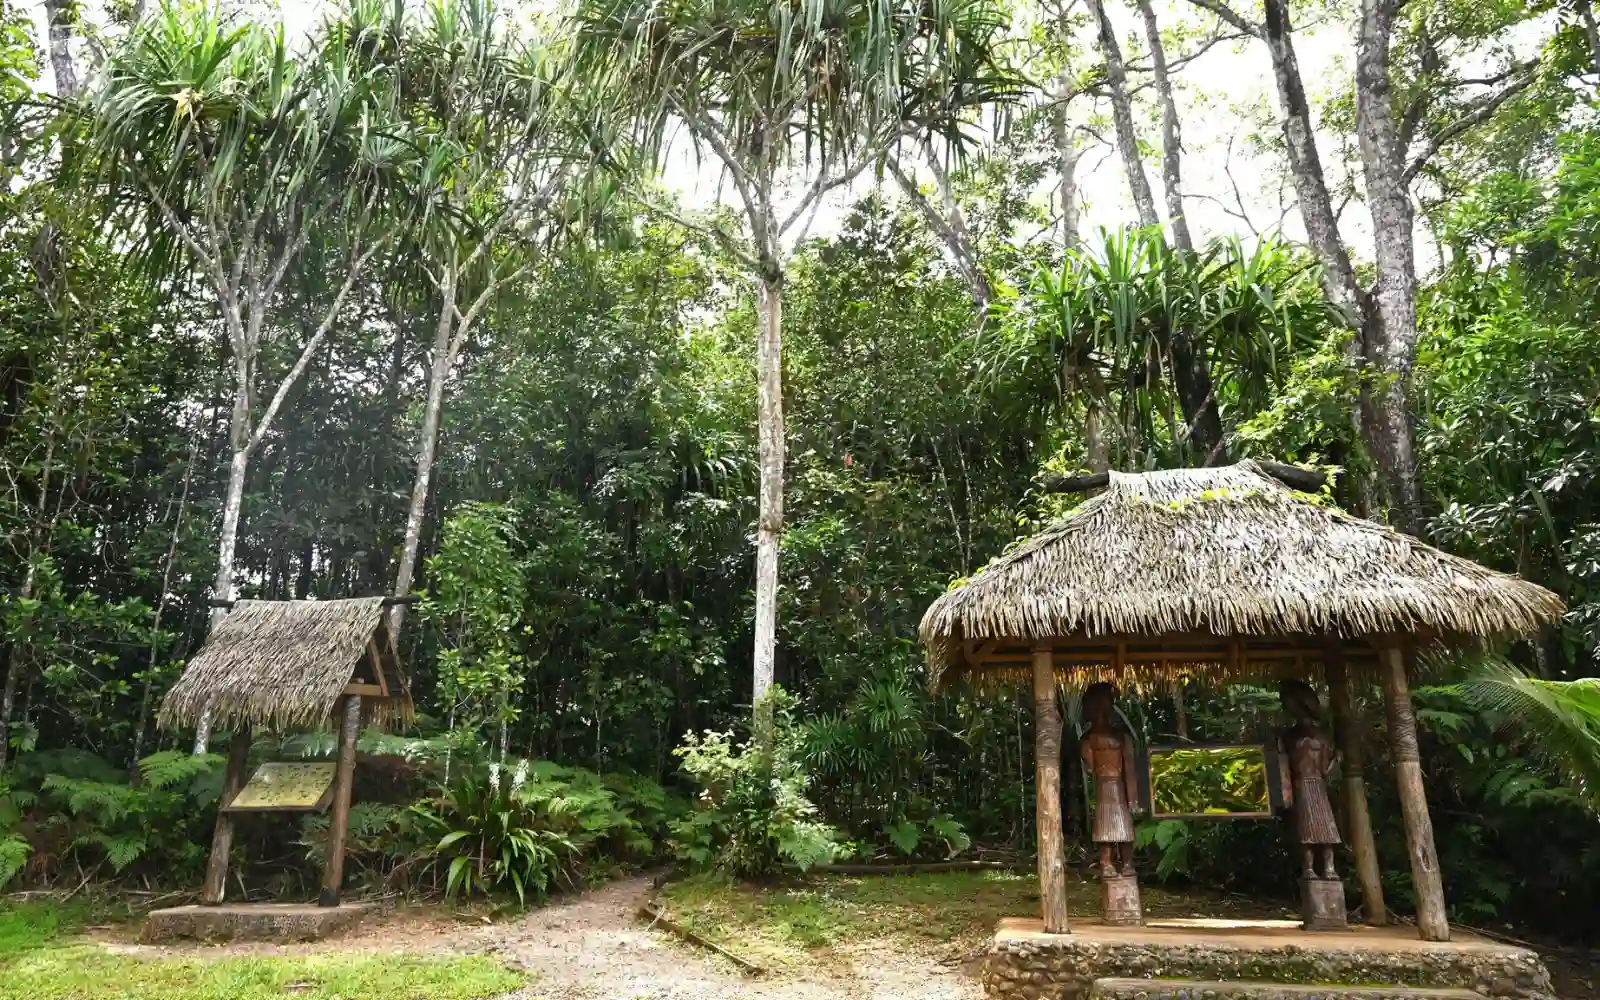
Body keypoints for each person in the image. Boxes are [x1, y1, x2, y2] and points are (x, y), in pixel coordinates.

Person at [1280, 679, 1341, 880]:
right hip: (1301, 784)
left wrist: (1336, 760)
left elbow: (1325, 768)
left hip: (1317, 785)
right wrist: (1286, 790)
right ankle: (1309, 868)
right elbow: (1283, 766)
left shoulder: (1322, 736)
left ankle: (1329, 868)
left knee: (1326, 828)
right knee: (1306, 829)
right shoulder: (1289, 736)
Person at [1079, 682, 1135, 879]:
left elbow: (1129, 768)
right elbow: (1090, 767)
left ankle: (1127, 862)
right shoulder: (1088, 739)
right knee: (1104, 823)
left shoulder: (1122, 737)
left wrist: (1134, 799)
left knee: (1125, 824)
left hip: (1117, 784)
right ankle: (1106, 862)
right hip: (1104, 785)